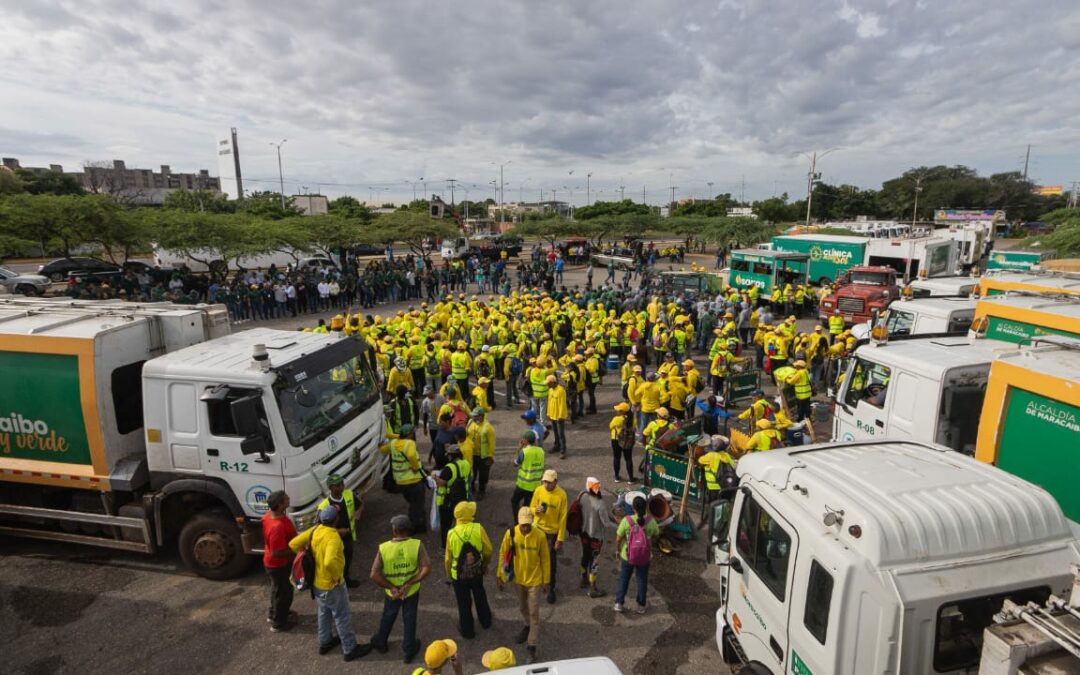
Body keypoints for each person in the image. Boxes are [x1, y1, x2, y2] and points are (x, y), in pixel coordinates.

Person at [288, 506, 370, 661]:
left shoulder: (314, 531)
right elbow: (329, 561)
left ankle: (325, 642)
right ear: (335, 520)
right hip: (332, 585)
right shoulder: (333, 538)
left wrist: (305, 551)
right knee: (342, 616)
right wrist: (337, 577)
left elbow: (292, 544)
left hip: (317, 584)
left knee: (324, 613)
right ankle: (350, 648)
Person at [369, 514, 432, 664]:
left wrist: (392, 587)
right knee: (409, 618)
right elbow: (426, 567)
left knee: (388, 616)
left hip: (393, 593)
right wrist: (410, 582)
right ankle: (409, 650)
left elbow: (374, 574)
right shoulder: (417, 545)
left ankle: (381, 642)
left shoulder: (384, 548)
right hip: (411, 591)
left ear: (395, 530)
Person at [497, 507, 551, 665]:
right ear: (518, 522)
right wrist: (499, 576)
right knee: (522, 608)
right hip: (519, 580)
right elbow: (502, 553)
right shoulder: (511, 534)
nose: (526, 528)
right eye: (523, 525)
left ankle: (531, 647)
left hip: (535, 581)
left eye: (528, 524)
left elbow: (546, 559)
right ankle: (527, 625)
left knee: (534, 613)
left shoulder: (540, 536)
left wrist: (546, 581)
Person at [444, 501, 493, 639]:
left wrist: (449, 574)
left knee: (463, 603)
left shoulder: (451, 533)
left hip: (459, 576)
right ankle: (486, 621)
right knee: (480, 595)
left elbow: (448, 558)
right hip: (476, 571)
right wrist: (485, 565)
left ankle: (467, 631)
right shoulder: (478, 528)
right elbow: (488, 549)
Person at [613, 496, 659, 615]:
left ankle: (619, 603)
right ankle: (641, 606)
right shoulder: (651, 521)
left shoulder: (627, 520)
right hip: (645, 557)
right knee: (642, 579)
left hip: (627, 555)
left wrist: (617, 550)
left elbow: (618, 538)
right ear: (645, 508)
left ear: (633, 508)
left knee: (624, 578)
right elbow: (656, 534)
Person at [317, 474, 363, 587]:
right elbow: (320, 527)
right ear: (330, 488)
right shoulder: (324, 505)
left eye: (342, 484)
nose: (341, 487)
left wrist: (358, 512)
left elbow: (361, 505)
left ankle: (346, 579)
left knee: (347, 559)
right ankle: (338, 582)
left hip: (349, 537)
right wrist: (338, 532)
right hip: (333, 540)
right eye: (337, 486)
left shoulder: (349, 494)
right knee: (335, 562)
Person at [381, 424, 427, 534]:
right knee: (417, 506)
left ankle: (418, 524)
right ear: (410, 434)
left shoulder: (393, 443)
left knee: (413, 503)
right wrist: (415, 467)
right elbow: (411, 455)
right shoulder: (409, 443)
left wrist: (382, 442)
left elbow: (383, 450)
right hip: (414, 480)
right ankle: (415, 527)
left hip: (400, 481)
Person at [530, 469, 567, 604]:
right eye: (545, 481)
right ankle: (537, 582)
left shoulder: (562, 495)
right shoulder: (539, 490)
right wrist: (535, 510)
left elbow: (563, 518)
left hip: (552, 533)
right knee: (536, 556)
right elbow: (531, 507)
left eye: (549, 482)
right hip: (538, 529)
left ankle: (551, 588)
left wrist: (560, 539)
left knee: (551, 561)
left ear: (556, 482)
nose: (546, 485)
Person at [262, 490, 297, 632]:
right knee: (284, 593)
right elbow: (277, 552)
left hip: (272, 563)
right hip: (279, 565)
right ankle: (279, 623)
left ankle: (274, 613)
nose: (289, 500)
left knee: (276, 590)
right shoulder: (277, 527)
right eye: (286, 499)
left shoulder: (268, 516)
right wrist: (297, 550)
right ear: (280, 505)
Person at [435, 444, 473, 549]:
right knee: (461, 523)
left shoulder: (449, 468)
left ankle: (445, 547)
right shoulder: (466, 464)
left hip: (448, 501)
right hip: (463, 498)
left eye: (448, 455)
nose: (447, 457)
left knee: (446, 526)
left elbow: (441, 483)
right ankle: (462, 543)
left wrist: (435, 477)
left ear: (451, 456)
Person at [578, 477, 607, 598]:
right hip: (596, 538)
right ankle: (593, 587)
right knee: (594, 562)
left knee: (585, 557)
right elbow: (606, 523)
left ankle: (583, 578)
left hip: (584, 534)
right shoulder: (600, 504)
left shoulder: (582, 497)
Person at [511, 430, 545, 522]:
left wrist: (519, 448)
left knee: (514, 501)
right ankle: (527, 521)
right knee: (528, 505)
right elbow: (536, 450)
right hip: (535, 485)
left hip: (523, 485)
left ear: (525, 440)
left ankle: (517, 521)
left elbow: (515, 463)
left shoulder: (524, 452)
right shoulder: (541, 451)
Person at [467, 406, 496, 499]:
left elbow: (492, 444)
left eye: (475, 416)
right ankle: (472, 488)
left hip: (483, 456)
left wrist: (490, 456)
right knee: (472, 473)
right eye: (473, 416)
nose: (473, 418)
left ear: (481, 416)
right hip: (472, 454)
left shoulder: (488, 428)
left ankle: (481, 491)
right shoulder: (470, 422)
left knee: (483, 475)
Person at [609, 402, 637, 483]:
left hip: (616, 439)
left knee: (617, 458)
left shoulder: (617, 419)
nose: (617, 411)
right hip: (628, 440)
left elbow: (610, 426)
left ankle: (617, 477)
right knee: (628, 458)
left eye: (619, 410)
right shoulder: (632, 419)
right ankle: (631, 478)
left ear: (623, 411)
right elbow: (634, 428)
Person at [546, 374, 568, 459]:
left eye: (548, 383)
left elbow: (562, 404)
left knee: (561, 434)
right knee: (555, 432)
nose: (547, 385)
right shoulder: (550, 390)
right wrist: (548, 414)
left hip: (559, 416)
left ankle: (563, 451)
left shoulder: (561, 390)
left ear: (552, 382)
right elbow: (549, 402)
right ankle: (557, 446)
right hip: (552, 415)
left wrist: (561, 416)